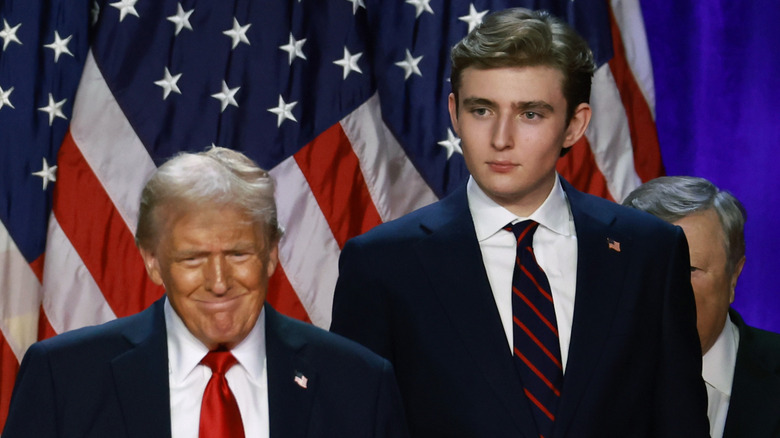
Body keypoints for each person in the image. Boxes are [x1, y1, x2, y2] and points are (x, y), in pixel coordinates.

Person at [330, 7, 709, 437]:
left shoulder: (649, 252)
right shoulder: (382, 265)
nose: (501, 138)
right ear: (454, 112)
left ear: (574, 125)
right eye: (482, 110)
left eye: (531, 114)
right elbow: (353, 423)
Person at [3, 147, 409, 438]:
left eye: (238, 253)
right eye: (193, 258)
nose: (218, 281)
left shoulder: (359, 384)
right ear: (151, 261)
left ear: (270, 254)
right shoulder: (65, 379)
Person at [623, 175, 780, 437]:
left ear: (733, 276)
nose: (664, 289)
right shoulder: (584, 375)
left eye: (689, 269)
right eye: (646, 269)